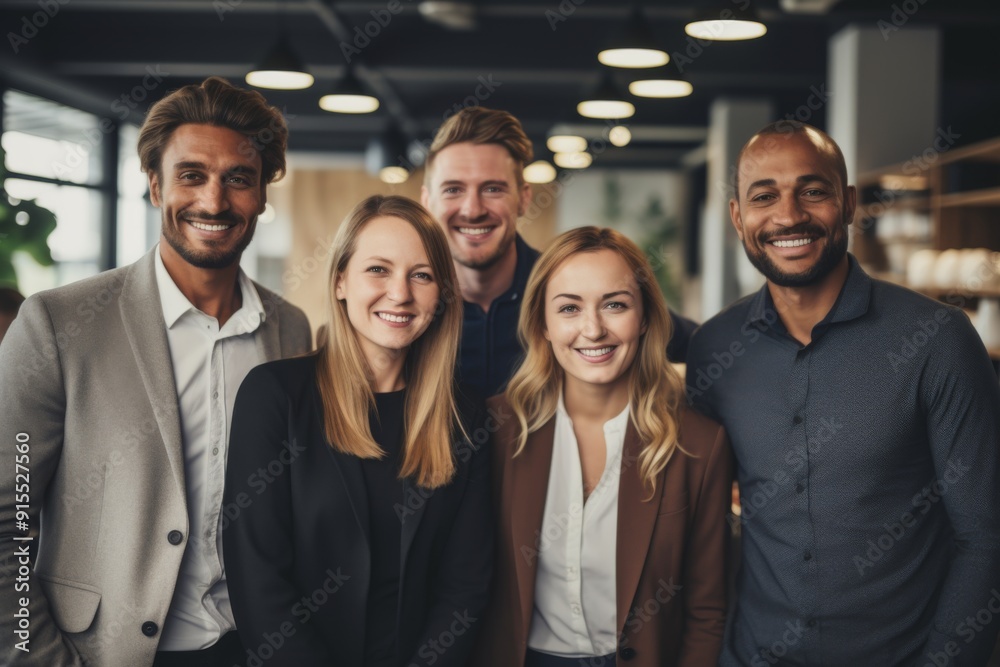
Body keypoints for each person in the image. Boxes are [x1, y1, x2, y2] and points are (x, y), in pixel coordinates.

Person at [0, 76, 312, 667]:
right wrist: (32, 656)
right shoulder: (58, 325)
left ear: (263, 196)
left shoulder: (290, 330)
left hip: (253, 647)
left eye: (238, 179)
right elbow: (7, 521)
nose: (214, 202)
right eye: (191, 175)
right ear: (153, 185)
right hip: (102, 652)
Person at [686, 121, 1000, 666]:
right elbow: (701, 518)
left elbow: (986, 537)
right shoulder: (715, 347)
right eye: (764, 196)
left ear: (849, 203)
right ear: (738, 217)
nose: (788, 216)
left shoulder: (937, 339)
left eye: (813, 191)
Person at [222, 195, 492, 667]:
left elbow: (465, 588)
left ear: (441, 295)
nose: (401, 294)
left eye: (422, 275)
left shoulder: (465, 415)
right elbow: (258, 580)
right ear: (341, 280)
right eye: (378, 270)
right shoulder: (276, 396)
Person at [475, 226, 732, 667]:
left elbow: (707, 612)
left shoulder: (700, 445)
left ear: (645, 316)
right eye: (569, 308)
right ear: (543, 323)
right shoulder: (493, 432)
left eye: (615, 305)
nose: (593, 329)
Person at [420, 107, 698, 399]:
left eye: (492, 189)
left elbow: (704, 346)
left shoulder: (567, 285)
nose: (472, 210)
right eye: (453, 190)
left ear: (524, 198)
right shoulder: (408, 301)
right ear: (427, 202)